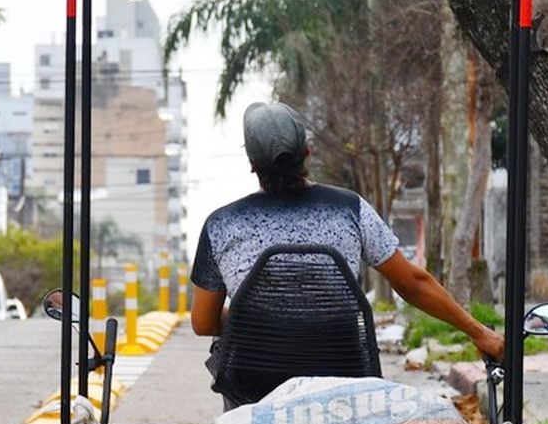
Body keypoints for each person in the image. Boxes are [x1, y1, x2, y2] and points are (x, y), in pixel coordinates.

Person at [190, 101, 504, 400]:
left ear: (252, 166)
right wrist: (480, 333)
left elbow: (203, 323)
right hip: (343, 376)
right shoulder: (349, 209)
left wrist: (255, 314)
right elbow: (412, 283)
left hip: (255, 386)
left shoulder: (221, 224)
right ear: (307, 154)